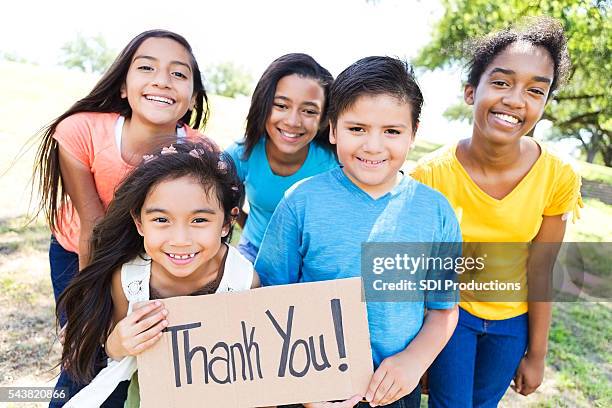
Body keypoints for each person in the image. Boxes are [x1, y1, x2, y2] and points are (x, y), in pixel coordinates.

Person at [255, 56, 460, 408]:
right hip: (311, 388)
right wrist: (298, 385)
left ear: (413, 134)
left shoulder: (436, 212)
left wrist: (413, 363)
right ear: (333, 129)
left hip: (393, 389)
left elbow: (443, 310)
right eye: (357, 129)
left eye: (392, 131)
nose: (373, 146)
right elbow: (268, 300)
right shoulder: (301, 202)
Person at [411, 16, 582, 407]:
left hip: (511, 326)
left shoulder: (558, 176)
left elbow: (542, 269)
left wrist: (536, 354)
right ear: (472, 92)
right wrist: (418, 350)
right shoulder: (430, 175)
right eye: (502, 82)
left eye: (535, 90)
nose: (515, 100)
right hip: (451, 317)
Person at [54, 142, 257, 407]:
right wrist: (118, 343)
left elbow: (250, 363)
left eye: (199, 221)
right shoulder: (129, 279)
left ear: (226, 223)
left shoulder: (242, 280)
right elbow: (111, 353)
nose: (181, 240)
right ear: (139, 223)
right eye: (161, 220)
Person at [33, 29, 216, 311]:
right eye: (146, 67)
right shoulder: (80, 131)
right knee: (88, 347)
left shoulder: (203, 152)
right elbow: (93, 227)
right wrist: (90, 317)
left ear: (193, 98)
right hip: (78, 249)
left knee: (147, 345)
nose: (162, 81)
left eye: (179, 74)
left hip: (153, 255)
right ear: (122, 86)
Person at [225, 53, 338, 263]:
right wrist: (249, 227)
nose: (293, 121)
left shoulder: (333, 164)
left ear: (323, 119)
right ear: (264, 105)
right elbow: (219, 205)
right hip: (253, 252)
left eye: (309, 111)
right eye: (281, 106)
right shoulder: (241, 154)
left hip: (309, 260)